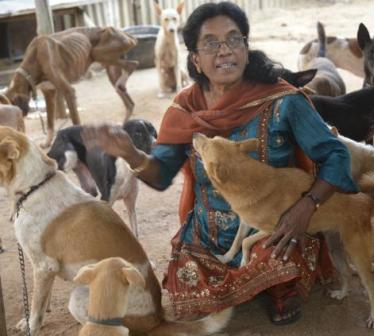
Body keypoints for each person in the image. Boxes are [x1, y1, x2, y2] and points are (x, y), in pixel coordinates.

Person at [82, 2, 358, 326]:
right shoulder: (185, 108)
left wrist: (307, 206)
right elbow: (160, 175)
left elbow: (337, 155)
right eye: (211, 43)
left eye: (233, 39)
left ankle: (278, 287)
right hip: (206, 232)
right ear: (196, 59)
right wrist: (130, 154)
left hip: (274, 225)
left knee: (279, 264)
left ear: (246, 46)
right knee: (187, 297)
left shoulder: (283, 100)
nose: (224, 50)